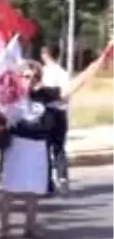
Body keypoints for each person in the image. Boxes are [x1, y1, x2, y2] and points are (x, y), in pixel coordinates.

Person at [0, 49, 109, 238]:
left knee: (34, 189)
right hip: (16, 145)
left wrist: (96, 64)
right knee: (9, 188)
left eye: (34, 77)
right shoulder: (9, 94)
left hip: (38, 146)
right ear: (18, 77)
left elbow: (73, 86)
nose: (30, 80)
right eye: (25, 76)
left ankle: (30, 227)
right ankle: (4, 225)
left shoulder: (45, 94)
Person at [39, 44, 71, 193]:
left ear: (45, 54)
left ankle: (47, 183)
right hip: (60, 112)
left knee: (45, 147)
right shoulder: (63, 73)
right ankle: (62, 177)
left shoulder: (43, 73)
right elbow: (66, 96)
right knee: (59, 147)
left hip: (47, 113)